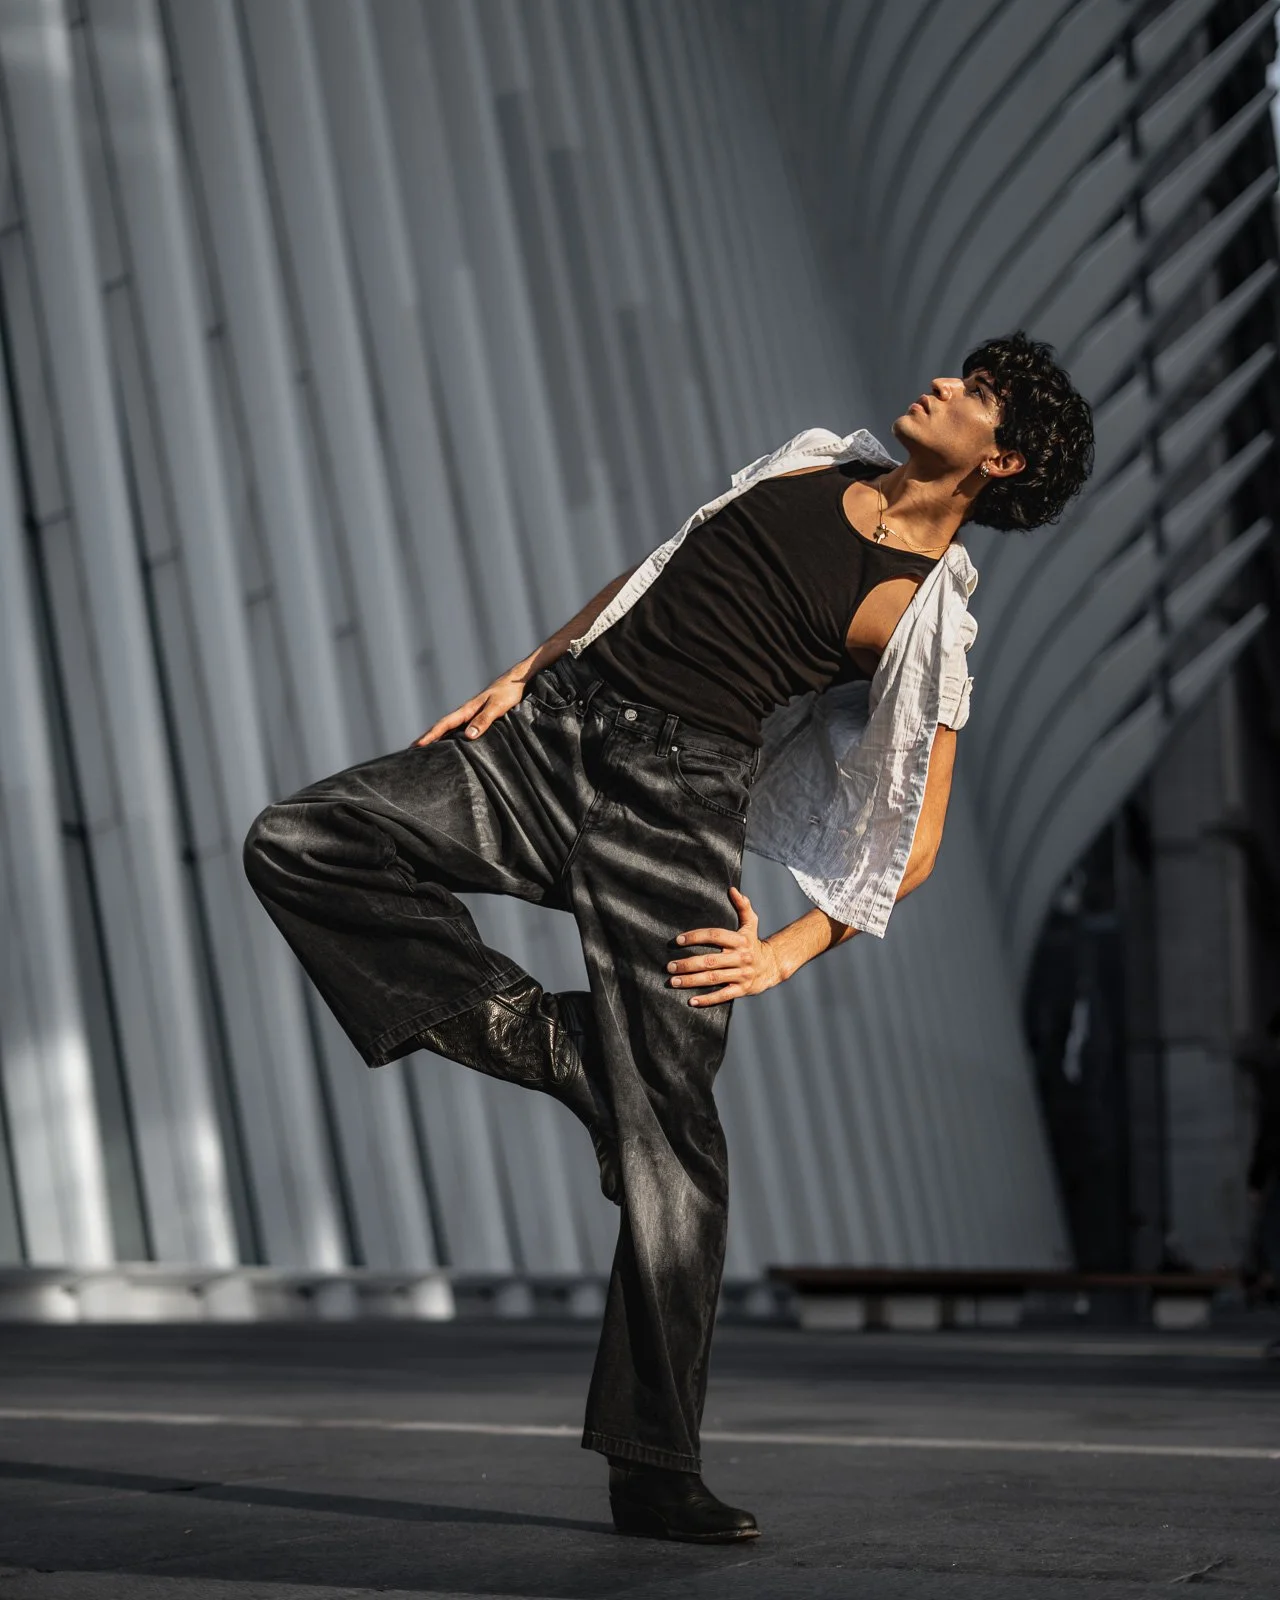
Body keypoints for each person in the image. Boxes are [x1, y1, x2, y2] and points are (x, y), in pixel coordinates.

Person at [242, 329, 1094, 1543]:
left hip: (676, 809)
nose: (944, 385)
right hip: (549, 744)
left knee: (671, 1149)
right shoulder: (808, 460)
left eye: (976, 394)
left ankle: (653, 1462)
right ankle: (565, 1053)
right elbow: (646, 575)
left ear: (1000, 459)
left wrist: (786, 950)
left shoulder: (919, 619)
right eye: (959, 372)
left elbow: (910, 835)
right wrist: (526, 667)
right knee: (300, 838)